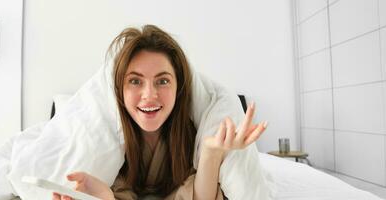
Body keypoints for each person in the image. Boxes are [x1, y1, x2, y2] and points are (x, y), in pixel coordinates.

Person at [52, 25, 267, 200]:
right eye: (135, 81)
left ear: (178, 87)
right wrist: (104, 195)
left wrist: (211, 152)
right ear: (120, 89)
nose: (149, 95)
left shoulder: (191, 131)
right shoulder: (108, 137)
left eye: (162, 81)